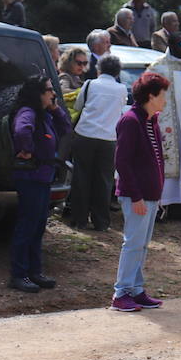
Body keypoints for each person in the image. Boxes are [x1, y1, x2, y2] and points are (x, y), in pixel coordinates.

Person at [110, 71, 170, 312]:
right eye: (163, 95)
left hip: (149, 194)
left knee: (141, 244)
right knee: (133, 243)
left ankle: (135, 289)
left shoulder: (150, 120)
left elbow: (156, 160)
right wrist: (136, 196)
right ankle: (121, 292)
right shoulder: (131, 121)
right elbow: (122, 162)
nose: (165, 100)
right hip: (137, 195)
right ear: (151, 96)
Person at [8, 74, 71, 293]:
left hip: (43, 177)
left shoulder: (44, 114)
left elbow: (65, 128)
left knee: (38, 226)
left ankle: (34, 272)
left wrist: (55, 109)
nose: (53, 93)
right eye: (48, 90)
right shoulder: (28, 112)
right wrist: (27, 150)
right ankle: (19, 275)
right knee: (27, 226)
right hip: (31, 178)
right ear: (37, 93)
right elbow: (21, 130)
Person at [69, 54, 127, 231]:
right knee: (104, 180)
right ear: (117, 72)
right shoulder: (122, 89)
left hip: (85, 134)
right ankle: (101, 222)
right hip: (108, 138)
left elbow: (78, 107)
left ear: (98, 69)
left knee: (81, 177)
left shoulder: (89, 85)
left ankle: (79, 219)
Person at [148, 31, 181, 217]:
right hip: (169, 124)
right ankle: (165, 205)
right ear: (172, 45)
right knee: (170, 158)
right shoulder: (158, 67)